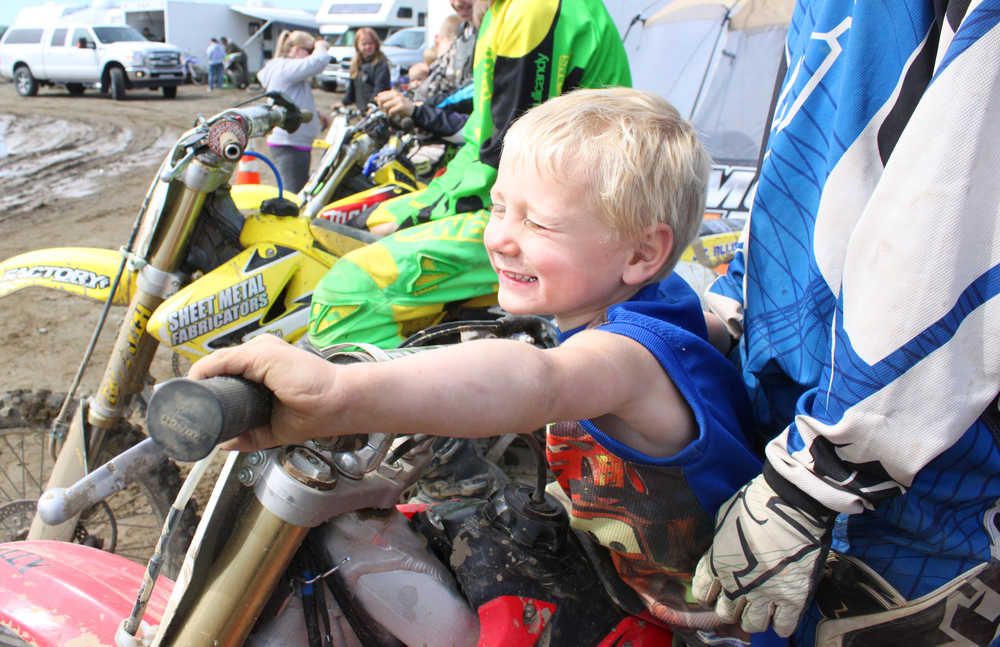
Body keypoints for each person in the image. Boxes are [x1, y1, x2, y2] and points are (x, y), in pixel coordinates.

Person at [190, 87, 762, 638]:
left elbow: (539, 381)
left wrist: (339, 391)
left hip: (708, 622)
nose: (502, 239)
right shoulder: (665, 308)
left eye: (537, 222)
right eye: (499, 208)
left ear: (642, 253)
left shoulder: (627, 358)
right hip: (638, 578)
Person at [691, 2, 1000, 646]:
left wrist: (815, 482)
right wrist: (736, 301)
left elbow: (959, 216)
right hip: (815, 429)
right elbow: (805, 147)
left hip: (924, 471)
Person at [308, 0, 632, 351]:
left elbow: (509, 157)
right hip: (538, 206)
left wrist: (422, 214)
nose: (455, 2)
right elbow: (480, 142)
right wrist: (413, 209)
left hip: (556, 221)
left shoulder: (531, 8)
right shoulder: (499, 15)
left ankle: (435, 400)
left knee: (346, 292)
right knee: (379, 220)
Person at [256, 30, 331, 194]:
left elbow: (292, 100)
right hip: (290, 143)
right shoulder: (286, 68)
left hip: (294, 142)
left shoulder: (283, 68)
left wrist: (316, 114)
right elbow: (320, 61)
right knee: (293, 195)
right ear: (297, 49)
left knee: (296, 189)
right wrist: (321, 46)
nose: (312, 54)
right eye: (309, 50)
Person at [339, 27, 391, 109]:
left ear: (376, 44)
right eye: (364, 44)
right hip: (361, 110)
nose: (368, 46)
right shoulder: (356, 65)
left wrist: (372, 105)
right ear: (357, 45)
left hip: (377, 110)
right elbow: (351, 91)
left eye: (371, 43)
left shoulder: (381, 65)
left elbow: (380, 89)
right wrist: (343, 103)